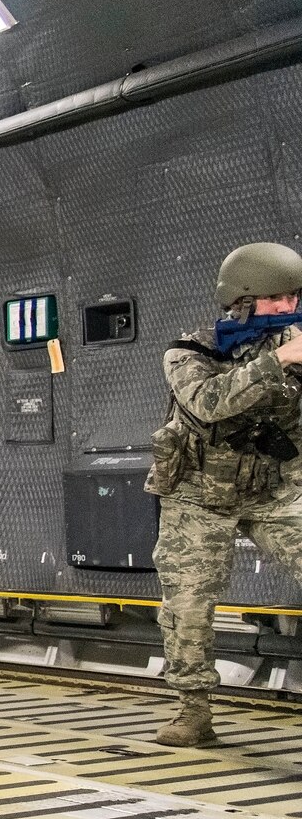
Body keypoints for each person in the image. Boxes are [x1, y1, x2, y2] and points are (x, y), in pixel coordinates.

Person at [146, 242, 302, 747]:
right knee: (188, 606)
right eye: (277, 298)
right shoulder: (190, 351)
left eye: (294, 296)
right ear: (243, 299)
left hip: (271, 488)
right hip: (196, 492)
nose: (288, 306)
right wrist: (280, 360)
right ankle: (194, 710)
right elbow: (208, 404)